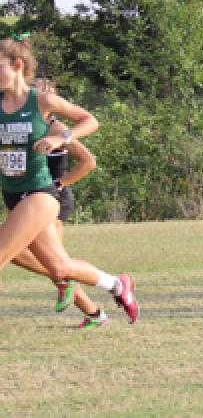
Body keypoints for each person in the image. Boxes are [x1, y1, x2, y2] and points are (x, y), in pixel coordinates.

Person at [0, 34, 139, 323]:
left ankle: (97, 307)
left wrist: (61, 138)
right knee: (60, 268)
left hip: (40, 195)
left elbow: (90, 120)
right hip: (13, 195)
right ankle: (117, 284)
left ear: (16, 65)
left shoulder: (42, 101)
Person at [11, 78, 108, 328]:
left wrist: (60, 184)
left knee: (56, 264)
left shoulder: (56, 128)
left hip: (49, 197)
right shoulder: (19, 127)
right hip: (26, 196)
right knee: (52, 263)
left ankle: (96, 302)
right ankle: (95, 311)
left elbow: (89, 162)